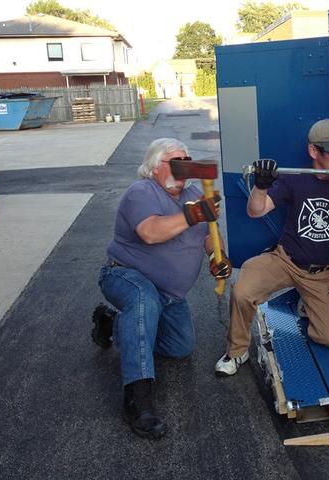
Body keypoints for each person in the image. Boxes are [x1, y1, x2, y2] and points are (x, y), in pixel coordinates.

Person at [214, 119, 329, 377]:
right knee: (242, 291)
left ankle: (308, 302)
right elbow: (255, 210)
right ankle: (237, 352)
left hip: (322, 273)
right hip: (285, 260)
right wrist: (260, 186)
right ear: (314, 151)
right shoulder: (295, 180)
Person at [91, 138, 232, 439]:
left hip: (169, 295)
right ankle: (137, 402)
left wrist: (214, 255)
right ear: (155, 167)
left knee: (181, 347)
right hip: (126, 276)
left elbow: (210, 234)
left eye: (187, 159)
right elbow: (151, 233)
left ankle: (113, 323)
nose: (183, 167)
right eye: (175, 161)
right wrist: (195, 214)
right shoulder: (140, 192)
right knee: (143, 300)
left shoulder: (194, 193)